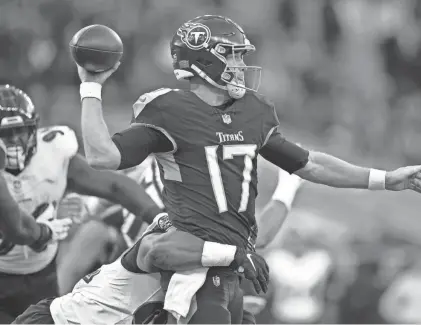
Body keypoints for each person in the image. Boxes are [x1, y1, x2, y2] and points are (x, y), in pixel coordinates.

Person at [76, 14, 421, 323]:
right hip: (195, 262)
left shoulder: (252, 110)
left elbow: (309, 163)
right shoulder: (168, 109)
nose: (241, 64)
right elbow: (103, 156)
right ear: (203, 58)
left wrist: (385, 180)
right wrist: (92, 86)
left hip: (236, 266)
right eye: (233, 54)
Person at [0, 84, 163, 323]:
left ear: (33, 129)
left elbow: (114, 186)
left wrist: (158, 217)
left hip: (41, 275)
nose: (14, 141)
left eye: (19, 131)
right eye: (5, 134)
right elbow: (19, 229)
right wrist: (45, 231)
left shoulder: (53, 153)